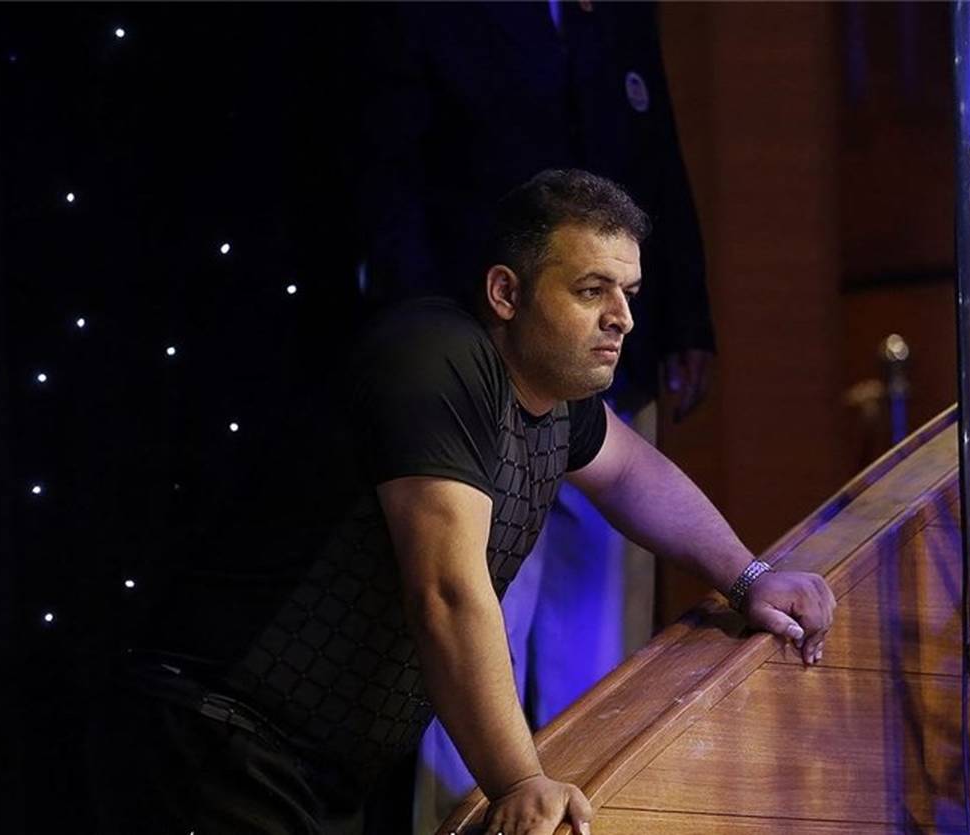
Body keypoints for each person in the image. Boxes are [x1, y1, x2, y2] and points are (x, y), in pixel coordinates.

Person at [93, 169, 834, 835]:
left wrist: (749, 577)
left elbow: (632, 475)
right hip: (216, 736)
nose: (622, 318)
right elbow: (447, 592)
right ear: (505, 293)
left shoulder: (555, 390)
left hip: (316, 766)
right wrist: (519, 780)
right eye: (591, 291)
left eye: (628, 294)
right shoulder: (435, 358)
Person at [352, 6, 716, 827]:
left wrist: (684, 318)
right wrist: (432, 332)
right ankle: (472, 817)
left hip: (596, 370)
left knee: (600, 634)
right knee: (479, 616)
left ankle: (586, 814)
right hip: (481, 348)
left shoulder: (620, 12)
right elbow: (391, 169)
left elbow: (656, 155)